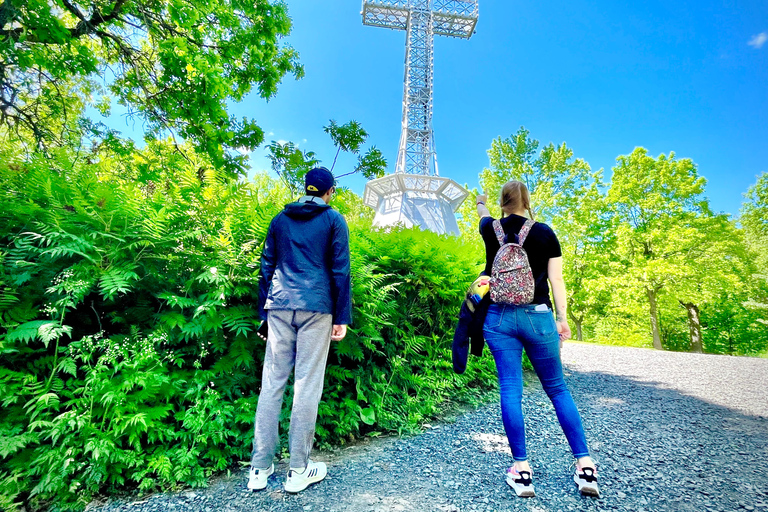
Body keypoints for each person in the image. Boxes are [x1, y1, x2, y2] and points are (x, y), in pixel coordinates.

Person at [475, 181, 599, 498]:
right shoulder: (545, 232)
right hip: (538, 316)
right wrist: (562, 319)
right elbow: (557, 279)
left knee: (510, 389)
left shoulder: (491, 229)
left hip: (499, 317)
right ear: (527, 202)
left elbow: (482, 214)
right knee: (557, 389)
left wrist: (480, 201)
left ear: (503, 203)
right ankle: (585, 467)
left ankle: (522, 470)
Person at [248, 167, 352, 494]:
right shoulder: (334, 220)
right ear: (329, 192)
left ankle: (258, 469)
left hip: (278, 304)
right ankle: (298, 470)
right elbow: (340, 270)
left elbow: (267, 266)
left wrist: (263, 315)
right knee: (306, 385)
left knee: (272, 383)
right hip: (317, 307)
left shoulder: (280, 219)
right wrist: (342, 317)